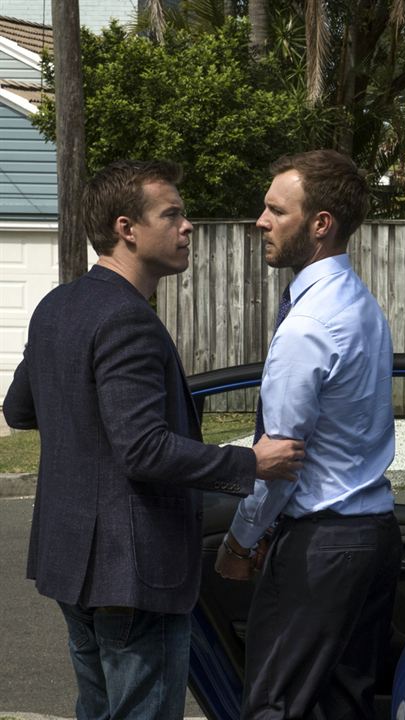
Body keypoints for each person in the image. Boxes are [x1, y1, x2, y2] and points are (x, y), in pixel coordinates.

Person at [2, 159, 306, 720]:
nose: (187, 226)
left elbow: (18, 409)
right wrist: (250, 462)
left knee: (97, 709)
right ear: (126, 229)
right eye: (173, 214)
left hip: (71, 562)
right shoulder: (127, 319)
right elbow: (143, 449)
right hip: (132, 571)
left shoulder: (55, 307)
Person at [214, 149, 400, 720]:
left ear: (320, 224)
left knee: (275, 705)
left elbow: (281, 459)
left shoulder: (309, 325)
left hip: (322, 548)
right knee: (343, 705)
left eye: (275, 210)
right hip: (373, 536)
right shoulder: (361, 306)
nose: (260, 220)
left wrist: (242, 541)